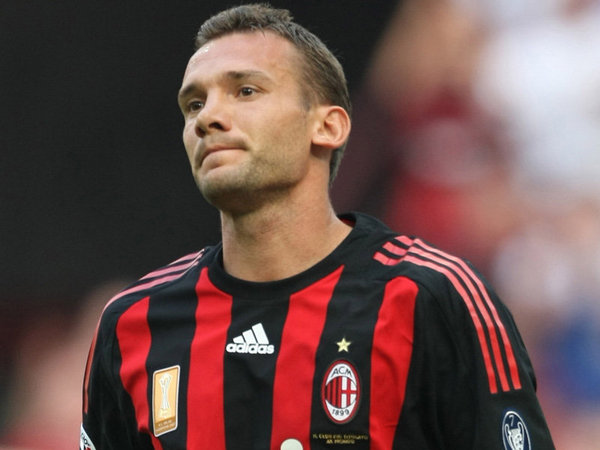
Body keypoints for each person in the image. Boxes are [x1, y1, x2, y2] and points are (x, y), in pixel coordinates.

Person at [80, 4, 555, 449]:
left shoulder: (431, 297)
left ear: (328, 127)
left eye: (246, 91)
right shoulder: (133, 323)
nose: (208, 118)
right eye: (194, 104)